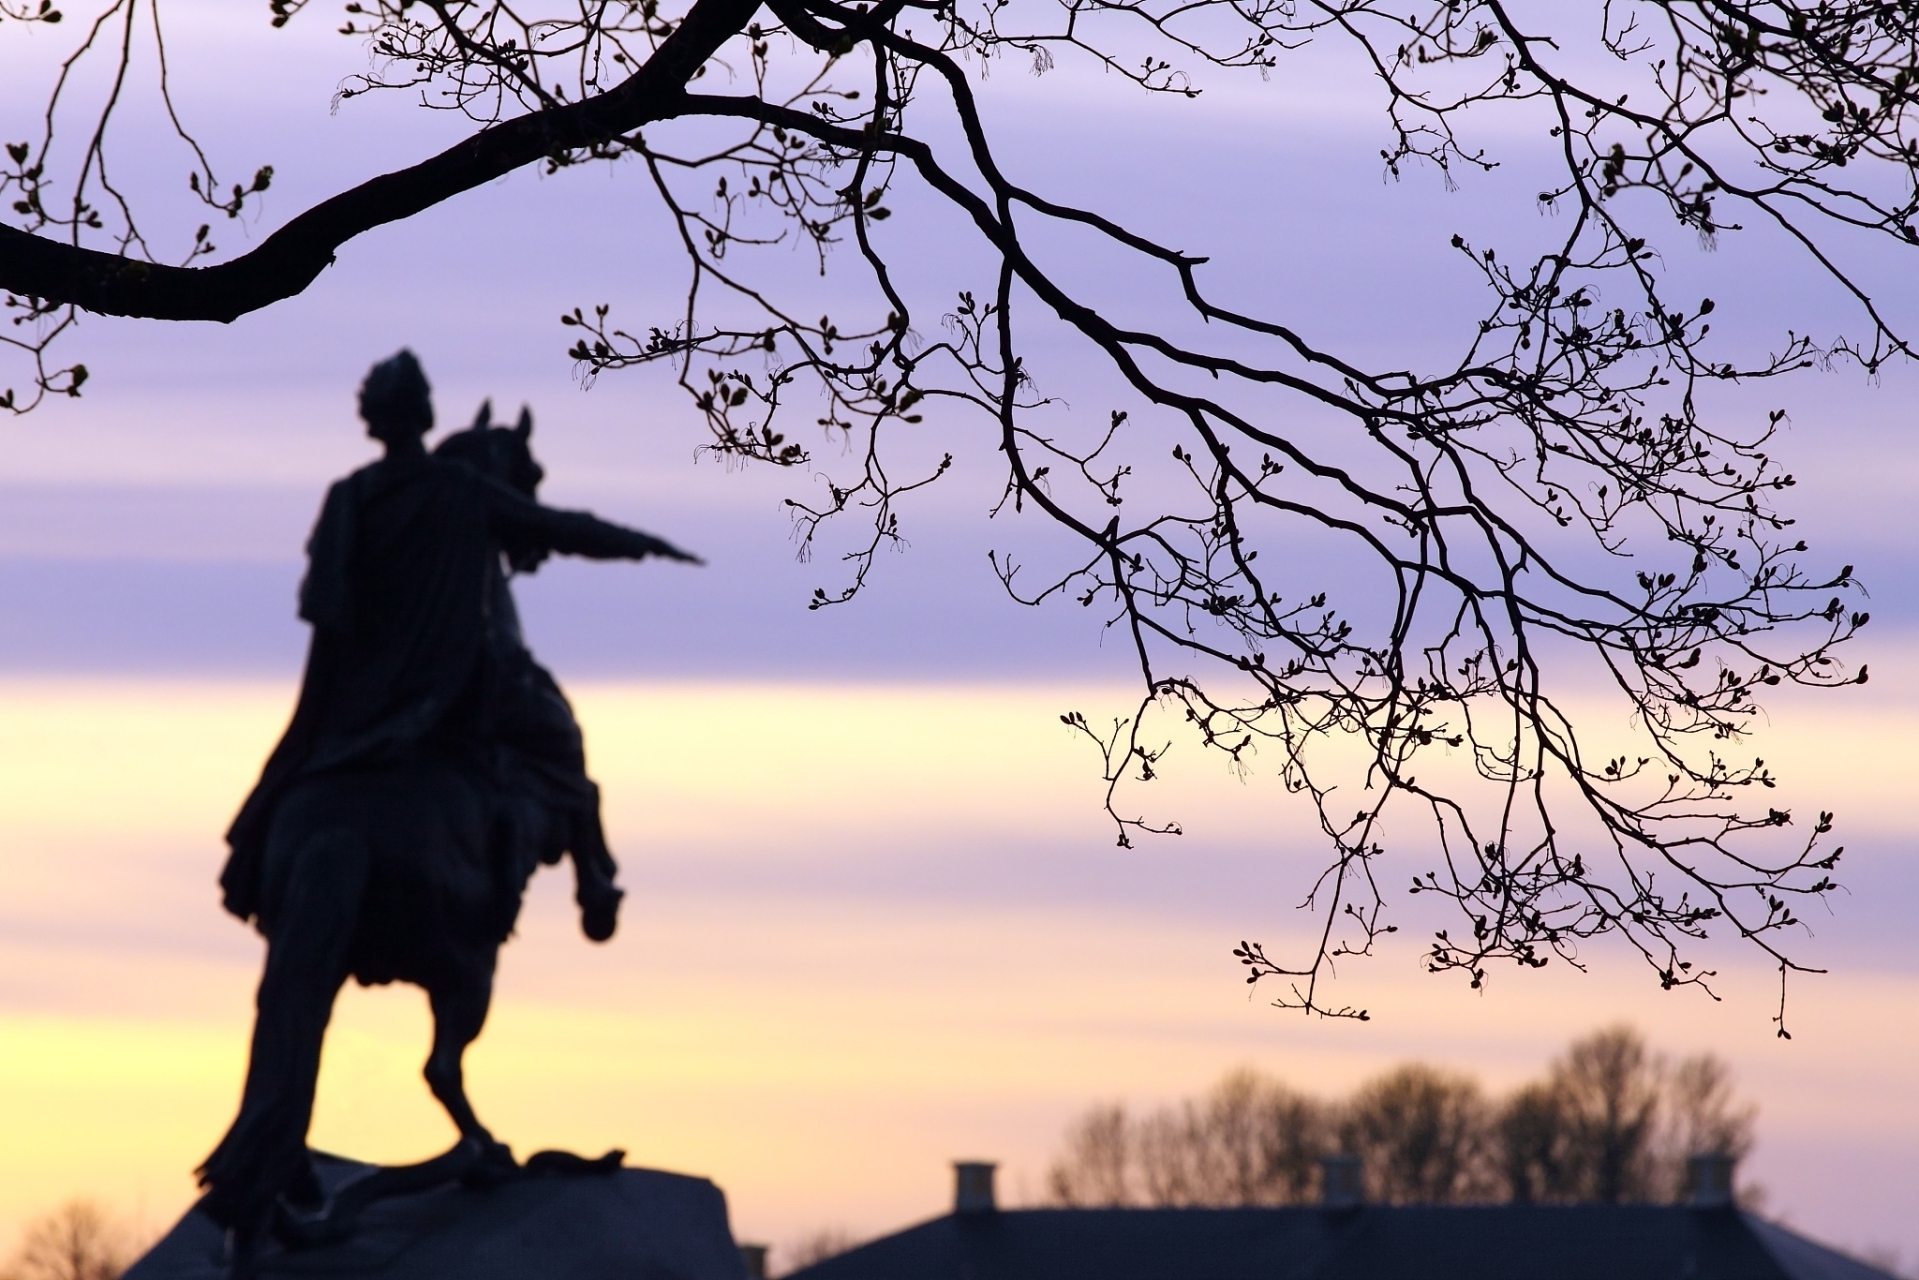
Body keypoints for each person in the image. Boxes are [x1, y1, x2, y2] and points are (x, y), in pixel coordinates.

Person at [219, 349, 697, 941]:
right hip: (445, 687)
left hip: (357, 698)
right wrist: (643, 543)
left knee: (286, 788)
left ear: (372, 420)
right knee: (557, 736)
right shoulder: (460, 488)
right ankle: (592, 874)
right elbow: (559, 529)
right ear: (424, 415)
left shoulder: (349, 496)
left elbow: (326, 605)